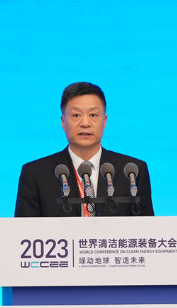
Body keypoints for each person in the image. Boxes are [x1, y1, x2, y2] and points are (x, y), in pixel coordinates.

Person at [14, 82, 154, 217]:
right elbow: (23, 231)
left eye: (93, 115)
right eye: (76, 115)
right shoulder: (36, 174)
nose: (85, 123)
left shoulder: (132, 172)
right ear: (63, 122)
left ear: (104, 121)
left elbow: (147, 229)